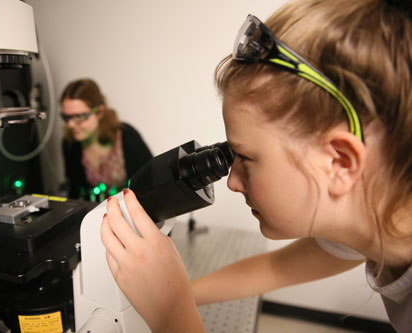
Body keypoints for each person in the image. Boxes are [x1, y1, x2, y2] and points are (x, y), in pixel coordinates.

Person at [100, 0, 412, 331]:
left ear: (339, 162)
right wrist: (169, 294)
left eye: (245, 157)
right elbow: (274, 270)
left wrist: (173, 315)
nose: (232, 182)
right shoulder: (374, 222)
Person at [60, 78, 153, 201]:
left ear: (99, 112)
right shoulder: (69, 144)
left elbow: (152, 181)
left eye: (79, 116)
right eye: (66, 117)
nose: (70, 125)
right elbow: (74, 193)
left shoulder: (126, 135)